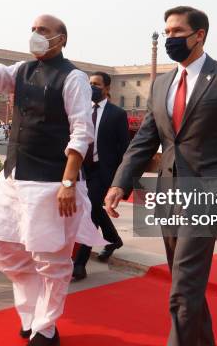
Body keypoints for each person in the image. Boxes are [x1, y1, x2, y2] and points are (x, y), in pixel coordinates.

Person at [104, 6, 217, 345]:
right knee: (184, 283)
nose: (169, 38)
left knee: (182, 291)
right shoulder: (162, 84)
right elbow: (145, 140)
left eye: (177, 32)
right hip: (168, 195)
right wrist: (120, 182)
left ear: (199, 35)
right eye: (167, 31)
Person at [0, 3, 106, 346]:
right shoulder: (21, 71)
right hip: (13, 178)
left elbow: (82, 132)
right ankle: (31, 314)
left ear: (61, 38)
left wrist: (69, 182)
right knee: (6, 252)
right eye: (33, 29)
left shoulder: (73, 78)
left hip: (51, 182)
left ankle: (45, 328)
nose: (36, 35)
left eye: (43, 30)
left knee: (51, 259)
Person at [72, 71, 130, 281]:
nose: (92, 87)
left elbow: (125, 149)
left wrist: (122, 181)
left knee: (90, 212)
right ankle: (113, 239)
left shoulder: (117, 114)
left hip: (103, 171)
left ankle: (79, 264)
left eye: (96, 84)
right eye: (90, 84)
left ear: (107, 88)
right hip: (81, 169)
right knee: (93, 209)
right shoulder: (81, 111)